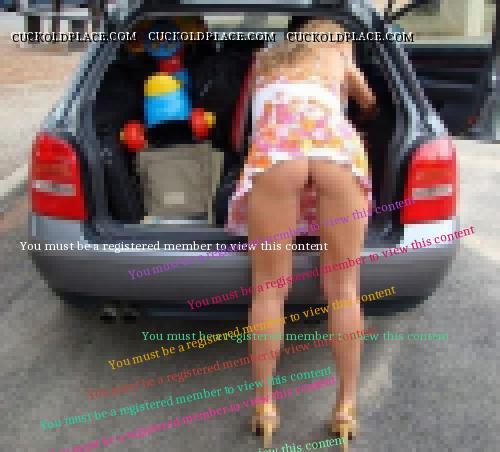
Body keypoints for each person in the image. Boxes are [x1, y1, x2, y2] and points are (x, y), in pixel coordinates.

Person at [225, 17, 377, 450]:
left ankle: (264, 406)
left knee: (269, 290)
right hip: (334, 148)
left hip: (278, 149)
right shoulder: (338, 57)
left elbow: (238, 128)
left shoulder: (264, 60)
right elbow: (369, 104)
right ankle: (345, 408)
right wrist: (352, 84)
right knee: (344, 289)